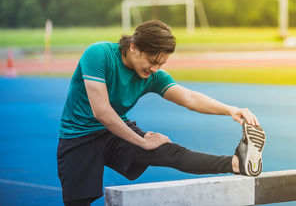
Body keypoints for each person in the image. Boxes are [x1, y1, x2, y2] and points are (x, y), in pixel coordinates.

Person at [57, 20, 266, 205]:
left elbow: (190, 98)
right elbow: (101, 112)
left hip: (115, 131)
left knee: (169, 151)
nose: (155, 69)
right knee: (77, 203)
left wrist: (230, 110)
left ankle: (236, 163)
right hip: (78, 136)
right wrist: (142, 141)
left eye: (161, 64)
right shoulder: (99, 55)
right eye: (152, 61)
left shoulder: (152, 75)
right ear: (133, 47)